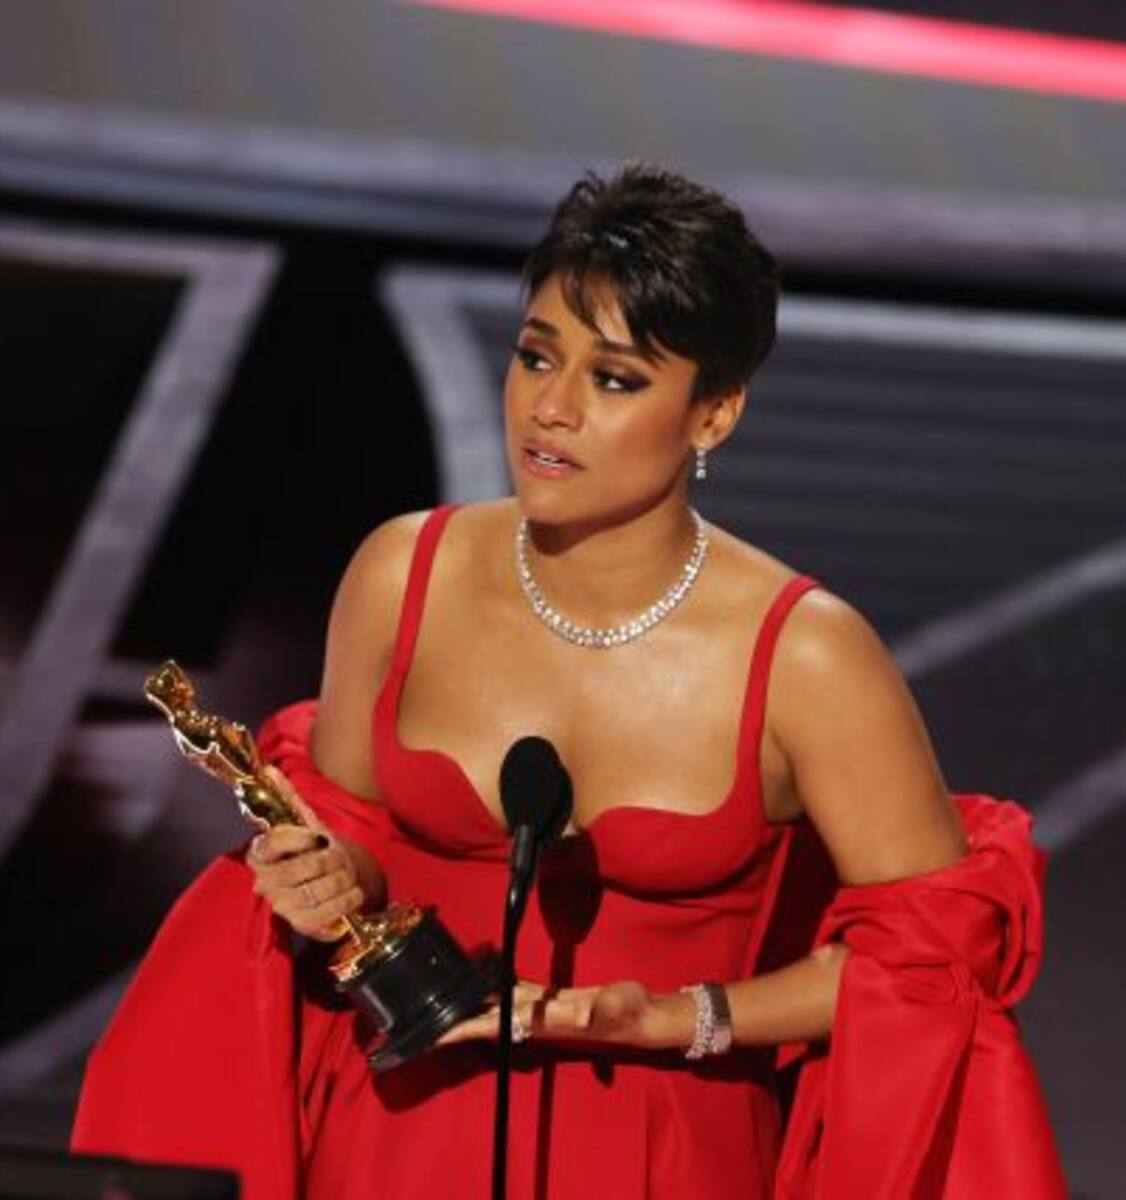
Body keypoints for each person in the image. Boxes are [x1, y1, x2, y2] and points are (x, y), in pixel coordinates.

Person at [73, 164, 1068, 1198]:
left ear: (715, 414)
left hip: (666, 1154)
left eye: (616, 379)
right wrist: (329, 880)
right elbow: (355, 838)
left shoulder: (808, 656)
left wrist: (679, 1016)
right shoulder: (403, 574)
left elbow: (927, 969)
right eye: (537, 356)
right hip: (397, 1141)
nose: (551, 409)